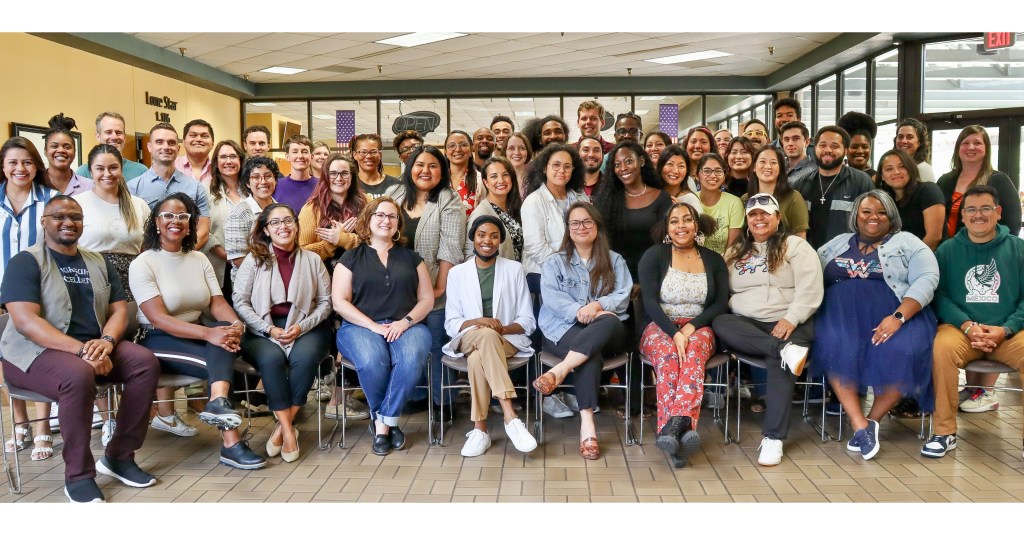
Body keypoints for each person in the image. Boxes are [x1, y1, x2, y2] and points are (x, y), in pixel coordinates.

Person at [0, 195, 160, 502]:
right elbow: (26, 322)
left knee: (144, 362)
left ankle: (119, 457)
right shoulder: (25, 262)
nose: (68, 222)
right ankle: (78, 474)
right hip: (31, 355)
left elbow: (119, 311)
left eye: (75, 217)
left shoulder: (98, 261)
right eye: (59, 216)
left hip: (91, 347)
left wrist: (107, 341)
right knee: (77, 375)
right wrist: (82, 352)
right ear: (44, 222)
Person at [129, 192, 265, 469]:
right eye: (168, 215)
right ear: (156, 222)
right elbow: (159, 318)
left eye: (183, 216)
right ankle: (232, 444)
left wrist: (235, 325)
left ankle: (218, 404)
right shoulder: (143, 262)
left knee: (223, 331)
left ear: (190, 224)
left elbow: (217, 303)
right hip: (156, 338)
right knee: (219, 360)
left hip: (195, 333)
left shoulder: (199, 259)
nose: (176, 221)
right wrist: (210, 334)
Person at [813, 190, 939, 460]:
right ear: (856, 216)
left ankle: (872, 420)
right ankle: (859, 424)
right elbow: (810, 272)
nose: (874, 217)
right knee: (835, 344)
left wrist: (898, 317)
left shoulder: (908, 242)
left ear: (891, 217)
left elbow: (927, 279)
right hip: (840, 317)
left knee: (905, 351)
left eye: (882, 212)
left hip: (896, 316)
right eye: (867, 211)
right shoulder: (838, 243)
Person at [713, 193, 823, 466]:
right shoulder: (735, 252)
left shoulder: (795, 246)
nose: (759, 218)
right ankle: (784, 350)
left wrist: (791, 318)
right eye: (753, 214)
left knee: (779, 363)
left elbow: (810, 288)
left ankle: (773, 438)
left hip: (791, 320)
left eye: (765, 213)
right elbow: (722, 292)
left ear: (778, 217)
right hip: (748, 324)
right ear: (747, 221)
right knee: (720, 322)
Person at [922, 185, 1024, 459]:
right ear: (963, 216)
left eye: (985, 208)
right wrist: (967, 325)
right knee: (940, 349)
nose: (978, 215)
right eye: (971, 210)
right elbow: (938, 296)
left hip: (1009, 333)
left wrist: (1007, 328)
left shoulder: (1019, 249)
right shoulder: (947, 251)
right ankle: (944, 433)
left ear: (998, 212)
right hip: (961, 331)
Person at [333, 196, 433, 456]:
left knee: (411, 358)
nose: (386, 220)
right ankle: (389, 423)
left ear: (398, 223)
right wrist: (372, 326)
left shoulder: (412, 258)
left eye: (392, 216)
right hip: (358, 327)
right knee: (372, 360)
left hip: (407, 325)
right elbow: (339, 302)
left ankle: (382, 424)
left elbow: (427, 299)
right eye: (379, 215)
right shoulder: (350, 258)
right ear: (368, 219)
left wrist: (406, 321)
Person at [233, 203, 333, 463]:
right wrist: (269, 329)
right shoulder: (254, 260)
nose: (283, 227)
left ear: (297, 226)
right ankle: (289, 431)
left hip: (306, 325)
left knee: (305, 357)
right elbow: (240, 302)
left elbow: (326, 303)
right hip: (261, 327)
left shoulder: (312, 260)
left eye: (288, 221)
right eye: (275, 222)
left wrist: (302, 327)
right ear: (266, 230)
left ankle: (281, 428)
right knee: (272, 359)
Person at [535, 202, 632, 460]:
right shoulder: (555, 263)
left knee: (609, 320)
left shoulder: (615, 260)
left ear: (597, 226)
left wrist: (598, 306)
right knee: (590, 353)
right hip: (563, 328)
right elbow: (552, 299)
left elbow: (623, 296)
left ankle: (560, 371)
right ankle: (587, 425)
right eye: (575, 223)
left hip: (608, 330)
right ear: (568, 229)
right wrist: (580, 311)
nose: (581, 227)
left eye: (587, 221)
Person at [638, 202, 727, 468]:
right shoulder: (654, 255)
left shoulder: (714, 259)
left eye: (687, 220)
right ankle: (682, 429)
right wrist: (673, 332)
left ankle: (670, 430)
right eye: (674, 221)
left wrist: (690, 328)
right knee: (669, 354)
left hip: (700, 326)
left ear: (696, 225)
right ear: (667, 228)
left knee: (692, 352)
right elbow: (649, 302)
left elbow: (720, 303)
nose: (681, 226)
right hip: (659, 325)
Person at [383, 145, 467, 419]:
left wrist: (439, 287)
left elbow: (451, 247)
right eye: (420, 164)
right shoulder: (394, 194)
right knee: (408, 345)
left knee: (436, 344)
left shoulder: (448, 199)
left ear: (442, 170)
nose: (425, 170)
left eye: (433, 165)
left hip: (434, 287)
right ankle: (417, 394)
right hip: (397, 290)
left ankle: (443, 400)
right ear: (410, 167)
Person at [444, 216, 538, 456]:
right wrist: (478, 322)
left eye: (494, 236)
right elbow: (451, 324)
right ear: (473, 238)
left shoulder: (514, 270)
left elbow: (528, 321)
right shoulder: (457, 273)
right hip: (468, 337)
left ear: (500, 241)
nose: (487, 240)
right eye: (481, 234)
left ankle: (480, 430)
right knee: (484, 335)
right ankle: (510, 416)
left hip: (506, 340)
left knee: (478, 357)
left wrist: (501, 329)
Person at [1, 136, 59, 459]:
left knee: (38, 353)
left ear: (36, 165)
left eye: (27, 162)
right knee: (5, 357)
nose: (20, 168)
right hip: (0, 292)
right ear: (3, 167)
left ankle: (42, 426)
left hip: (40, 291)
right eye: (13, 162)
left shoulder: (52, 200)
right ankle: (19, 422)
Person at [75, 145, 151, 301]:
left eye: (113, 168)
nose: (107, 174)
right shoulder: (77, 204)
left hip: (132, 283)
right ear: (90, 171)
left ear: (121, 169)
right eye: (100, 168)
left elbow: (148, 248)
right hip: (90, 281)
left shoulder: (139, 205)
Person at [593, 140, 671, 280]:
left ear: (641, 161)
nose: (623, 168)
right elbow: (600, 242)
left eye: (628, 161)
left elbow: (666, 244)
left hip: (652, 274)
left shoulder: (662, 198)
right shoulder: (606, 200)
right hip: (615, 276)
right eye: (617, 164)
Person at [127, 123, 211, 249]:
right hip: (147, 256)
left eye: (171, 143)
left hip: (186, 256)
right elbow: (130, 230)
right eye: (159, 142)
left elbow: (203, 232)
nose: (166, 147)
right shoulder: (132, 188)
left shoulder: (196, 188)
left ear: (178, 148)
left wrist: (181, 254)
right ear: (149, 147)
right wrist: (151, 256)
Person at [792, 125, 874, 249]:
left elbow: (871, 223)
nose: (828, 150)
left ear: (845, 151)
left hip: (846, 255)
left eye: (834, 146)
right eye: (822, 145)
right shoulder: (801, 183)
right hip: (809, 256)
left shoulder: (861, 181)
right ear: (815, 149)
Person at [522, 143, 588, 292]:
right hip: (543, 274)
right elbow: (536, 248)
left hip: (580, 270)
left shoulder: (580, 197)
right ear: (544, 168)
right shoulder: (533, 201)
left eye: (567, 166)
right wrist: (566, 270)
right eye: (556, 165)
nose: (562, 171)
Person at [937, 125, 1021, 239]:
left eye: (977, 143)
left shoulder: (999, 181)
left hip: (986, 248)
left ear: (986, 149)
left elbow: (1012, 226)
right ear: (958, 148)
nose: (971, 147)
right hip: (946, 247)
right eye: (965, 143)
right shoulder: (944, 181)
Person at [298, 152, 365, 267]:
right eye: (333, 173)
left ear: (352, 176)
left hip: (361, 274)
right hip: (324, 276)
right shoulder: (311, 209)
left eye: (344, 173)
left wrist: (343, 238)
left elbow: (377, 244)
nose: (339, 178)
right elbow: (302, 253)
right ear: (325, 176)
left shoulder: (366, 203)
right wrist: (330, 242)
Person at [876, 149, 945, 250]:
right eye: (889, 169)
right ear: (882, 176)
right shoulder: (885, 200)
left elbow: (934, 238)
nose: (896, 172)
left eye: (902, 166)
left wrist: (912, 258)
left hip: (929, 256)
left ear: (910, 169)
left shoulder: (928, 190)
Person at [224, 156, 278, 280]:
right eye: (256, 177)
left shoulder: (280, 209)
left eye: (268, 176)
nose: (263, 182)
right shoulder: (239, 212)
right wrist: (269, 273)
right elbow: (238, 258)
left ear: (275, 180)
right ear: (248, 183)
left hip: (278, 279)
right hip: (250, 281)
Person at [202, 140, 246, 293]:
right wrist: (226, 256)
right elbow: (202, 228)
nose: (228, 161)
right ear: (216, 162)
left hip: (250, 264)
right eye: (223, 157)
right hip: (219, 262)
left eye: (233, 156)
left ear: (241, 160)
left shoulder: (251, 188)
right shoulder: (205, 189)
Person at [465, 156, 523, 262]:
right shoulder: (481, 214)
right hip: (497, 271)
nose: (501, 180)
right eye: (494, 176)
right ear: (485, 182)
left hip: (520, 270)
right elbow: (470, 255)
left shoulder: (516, 207)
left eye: (505, 175)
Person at [744, 145, 808, 239]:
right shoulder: (745, 199)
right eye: (762, 162)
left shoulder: (793, 197)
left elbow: (800, 236)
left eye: (773, 162)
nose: (768, 166)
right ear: (754, 167)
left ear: (781, 168)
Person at [75, 112, 149, 181]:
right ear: (98, 136)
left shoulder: (141, 171)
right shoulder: (84, 172)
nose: (114, 137)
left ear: (124, 137)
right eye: (108, 132)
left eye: (118, 132)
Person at [695, 153, 743, 255]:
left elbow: (732, 248)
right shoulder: (690, 200)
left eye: (718, 171)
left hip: (723, 260)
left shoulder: (734, 203)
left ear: (724, 175)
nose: (713, 175)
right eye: (707, 171)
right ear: (697, 175)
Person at [43, 113, 92, 195]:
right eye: (54, 146)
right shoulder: (34, 184)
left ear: (75, 151)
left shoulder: (90, 187)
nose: (61, 150)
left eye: (67, 147)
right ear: (45, 150)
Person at [275, 134, 316, 213]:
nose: (300, 156)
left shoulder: (322, 186)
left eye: (305, 152)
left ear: (311, 156)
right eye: (295, 152)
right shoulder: (276, 186)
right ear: (287, 157)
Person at [352, 133, 400, 199]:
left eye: (373, 152)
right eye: (363, 152)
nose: (368, 156)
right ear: (355, 155)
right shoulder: (350, 184)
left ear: (380, 155)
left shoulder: (395, 184)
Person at [658, 145, 700, 212]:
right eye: (670, 164)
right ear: (661, 166)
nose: (675, 171)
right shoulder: (651, 195)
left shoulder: (691, 199)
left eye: (681, 166)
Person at [445, 130, 478, 215]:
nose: (458, 149)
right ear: (446, 152)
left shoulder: (480, 180)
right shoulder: (438, 179)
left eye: (463, 145)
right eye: (452, 146)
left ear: (471, 149)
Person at [837, 112, 878, 179]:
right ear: (846, 150)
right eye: (854, 147)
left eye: (865, 147)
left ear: (870, 149)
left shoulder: (878, 178)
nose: (860, 151)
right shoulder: (838, 177)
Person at [894, 118, 936, 183]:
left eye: (910, 137)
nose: (904, 141)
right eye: (900, 137)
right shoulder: (891, 167)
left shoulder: (923, 169)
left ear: (919, 142)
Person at [175, 119, 214, 185]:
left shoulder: (219, 169)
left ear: (212, 143)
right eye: (193, 135)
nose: (198, 139)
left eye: (204, 136)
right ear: (184, 142)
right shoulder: (171, 166)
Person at [779, 121, 816, 188]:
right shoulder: (778, 167)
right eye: (786, 139)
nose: (790, 143)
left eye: (796, 139)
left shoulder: (813, 172)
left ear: (807, 142)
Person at [683, 126, 715, 192]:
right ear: (686, 145)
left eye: (703, 142)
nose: (697, 146)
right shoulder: (678, 173)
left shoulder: (719, 175)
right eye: (693, 141)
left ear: (711, 146)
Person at [506, 132, 534, 199]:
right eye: (511, 148)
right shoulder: (500, 178)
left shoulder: (536, 177)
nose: (517, 153)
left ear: (527, 151)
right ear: (505, 151)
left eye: (522, 148)